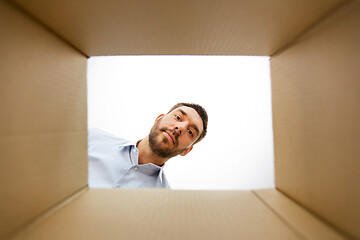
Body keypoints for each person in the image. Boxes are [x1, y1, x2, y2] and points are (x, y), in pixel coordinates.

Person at [88, 102, 208, 189]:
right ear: (159, 118)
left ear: (186, 151)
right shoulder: (90, 139)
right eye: (178, 117)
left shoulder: (165, 206)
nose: (180, 128)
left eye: (190, 132)